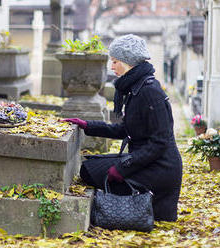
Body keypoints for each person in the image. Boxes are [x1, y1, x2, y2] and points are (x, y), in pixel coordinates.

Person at [63, 34, 182, 222]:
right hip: (145, 160)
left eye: (115, 61)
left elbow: (160, 143)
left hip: (160, 167)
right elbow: (126, 130)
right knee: (89, 168)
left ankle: (144, 204)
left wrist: (123, 168)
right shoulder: (136, 88)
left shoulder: (150, 91)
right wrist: (87, 125)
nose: (112, 67)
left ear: (129, 62)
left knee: (95, 174)